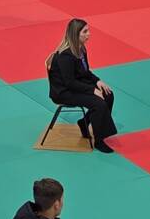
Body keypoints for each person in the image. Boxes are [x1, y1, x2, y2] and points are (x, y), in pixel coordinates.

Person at [47, 19, 115, 152]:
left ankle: (84, 123)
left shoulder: (81, 49)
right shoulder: (65, 56)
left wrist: (97, 81)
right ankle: (99, 140)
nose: (89, 34)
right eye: (85, 31)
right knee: (99, 104)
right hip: (63, 92)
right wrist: (92, 90)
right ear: (76, 34)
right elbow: (69, 82)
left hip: (76, 85)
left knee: (108, 94)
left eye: (88, 30)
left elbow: (85, 72)